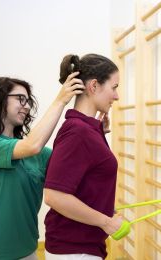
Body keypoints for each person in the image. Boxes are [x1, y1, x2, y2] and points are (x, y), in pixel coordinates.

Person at [0, 73, 85, 260]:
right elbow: (31, 145)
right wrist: (60, 100)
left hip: (29, 250)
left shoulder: (38, 155)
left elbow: (73, 167)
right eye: (20, 99)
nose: (27, 106)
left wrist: (95, 130)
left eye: (28, 101)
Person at [43, 54, 123, 260]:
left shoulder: (86, 129)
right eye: (114, 87)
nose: (117, 96)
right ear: (94, 86)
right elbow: (54, 196)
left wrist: (99, 132)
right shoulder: (78, 132)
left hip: (80, 248)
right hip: (74, 251)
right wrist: (106, 222)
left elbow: (86, 178)